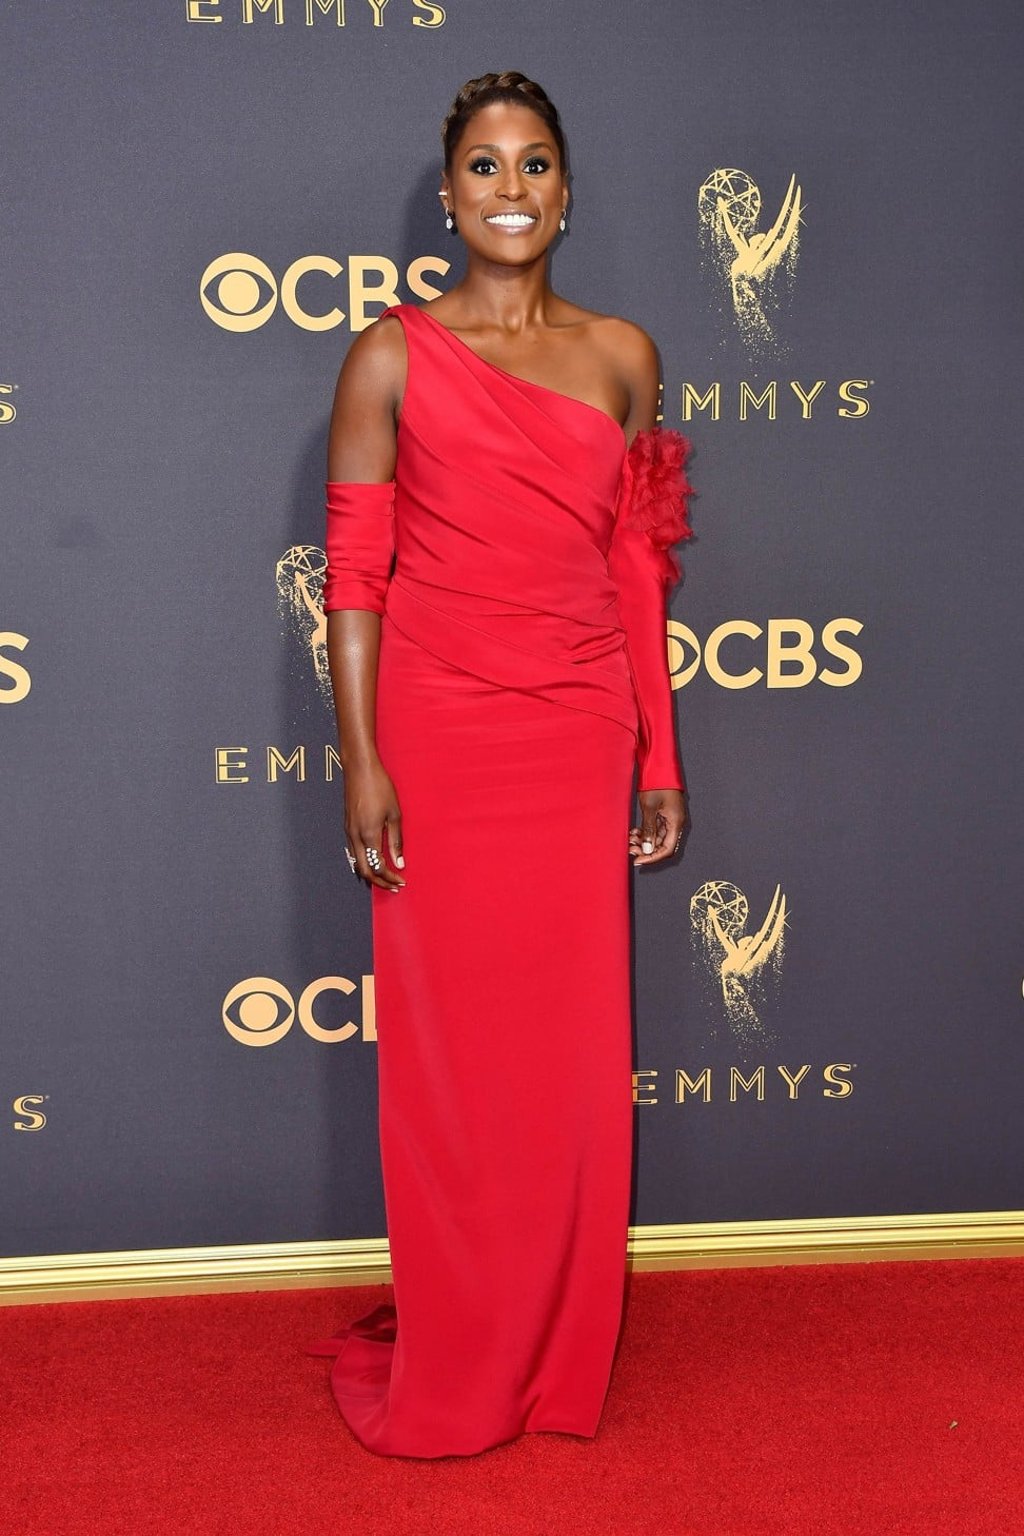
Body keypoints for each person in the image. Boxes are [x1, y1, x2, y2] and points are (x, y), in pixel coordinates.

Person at [304, 70, 695, 1459]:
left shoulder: (624, 357)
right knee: (453, 1063)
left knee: (572, 1064)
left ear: (568, 191)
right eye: (484, 166)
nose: (512, 188)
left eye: (535, 164)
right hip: (442, 735)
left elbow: (633, 569)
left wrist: (657, 745)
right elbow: (355, 577)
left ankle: (555, 1351)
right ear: (449, 193)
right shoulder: (389, 357)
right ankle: (469, 1346)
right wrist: (362, 759)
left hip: (579, 730)